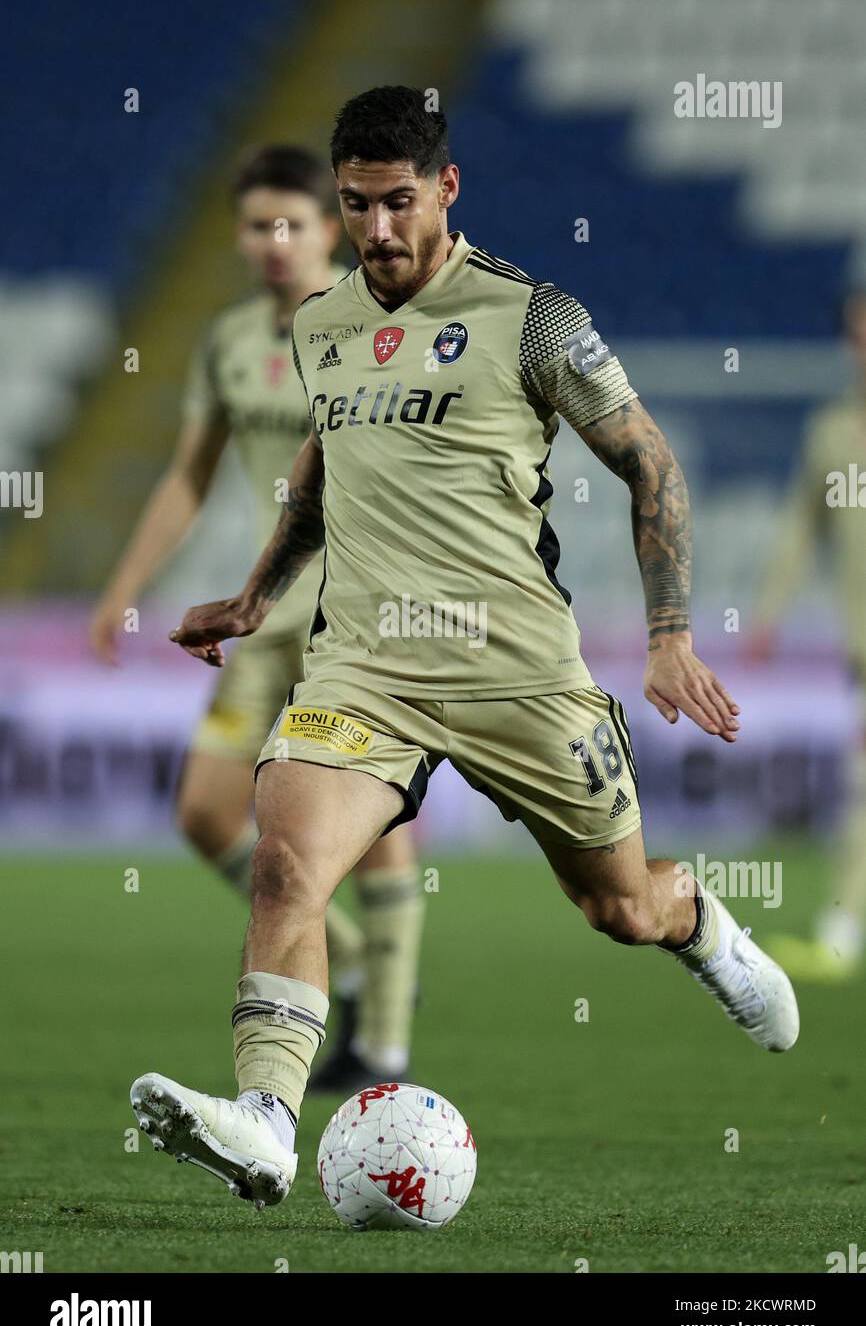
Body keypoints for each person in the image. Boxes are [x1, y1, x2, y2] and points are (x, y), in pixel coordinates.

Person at [130, 87, 798, 1212]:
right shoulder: (320, 324)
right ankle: (263, 1124)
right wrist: (252, 597)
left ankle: (699, 926)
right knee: (287, 861)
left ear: (444, 188)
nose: (377, 231)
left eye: (397, 202)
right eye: (354, 207)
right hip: (366, 669)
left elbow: (648, 462)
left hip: (518, 672)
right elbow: (322, 475)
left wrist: (670, 634)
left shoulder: (532, 316)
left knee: (616, 908)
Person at [91, 144, 425, 1090]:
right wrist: (123, 586)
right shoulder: (231, 341)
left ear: (331, 229)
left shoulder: (374, 330)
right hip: (262, 615)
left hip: (356, 619)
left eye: (295, 223)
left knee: (375, 824)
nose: (275, 243)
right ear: (239, 235)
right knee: (204, 812)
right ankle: (347, 959)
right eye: (257, 225)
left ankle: (386, 1051)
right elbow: (188, 474)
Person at [747, 290, 866, 981]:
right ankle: (842, 929)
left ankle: (843, 928)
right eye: (854, 333)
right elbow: (801, 528)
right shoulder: (832, 431)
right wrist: (768, 610)